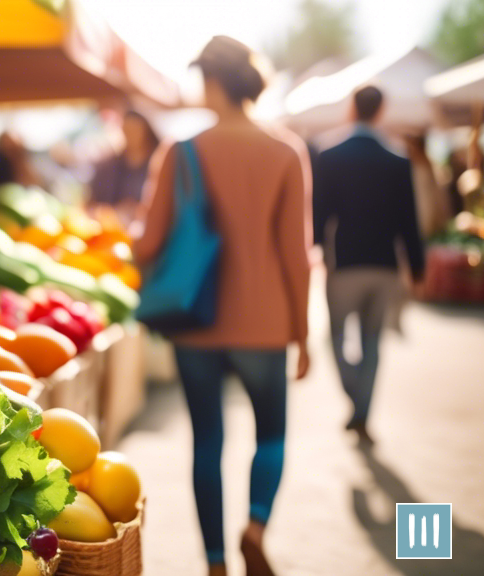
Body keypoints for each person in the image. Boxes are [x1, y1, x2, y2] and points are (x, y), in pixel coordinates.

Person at [133, 36, 311, 576]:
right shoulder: (285, 151)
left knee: (207, 441)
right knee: (272, 434)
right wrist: (303, 335)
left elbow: (148, 245)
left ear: (213, 82)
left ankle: (214, 565)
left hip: (196, 323)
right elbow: (296, 258)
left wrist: (132, 245)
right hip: (266, 323)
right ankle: (255, 527)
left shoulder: (180, 153)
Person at [313, 86, 425, 444]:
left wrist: (315, 247)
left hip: (343, 262)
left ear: (352, 107)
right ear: (381, 110)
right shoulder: (397, 160)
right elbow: (409, 220)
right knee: (374, 341)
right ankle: (361, 411)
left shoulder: (330, 156)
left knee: (335, 336)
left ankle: (356, 400)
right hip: (384, 265)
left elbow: (318, 213)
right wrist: (418, 266)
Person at [89, 110, 161, 222]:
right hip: (112, 229)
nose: (131, 135)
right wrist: (111, 212)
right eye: (127, 130)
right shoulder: (107, 167)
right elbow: (91, 205)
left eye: (135, 130)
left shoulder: (159, 164)